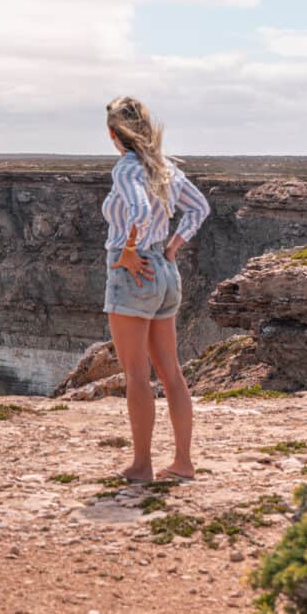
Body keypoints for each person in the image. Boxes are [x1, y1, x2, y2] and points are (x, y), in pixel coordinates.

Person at [101, 95, 211, 483]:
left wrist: (130, 249)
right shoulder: (166, 169)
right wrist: (172, 247)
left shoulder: (127, 169)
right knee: (171, 371)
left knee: (136, 373)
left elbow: (139, 212)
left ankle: (142, 465)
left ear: (114, 133)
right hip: (164, 271)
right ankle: (183, 462)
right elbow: (199, 208)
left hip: (134, 272)